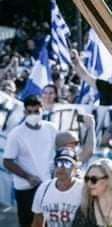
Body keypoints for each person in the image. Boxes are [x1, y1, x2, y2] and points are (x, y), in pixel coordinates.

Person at [3, 95, 58, 227]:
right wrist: (28, 177)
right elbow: (7, 161)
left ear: (42, 109)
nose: (33, 115)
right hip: (26, 188)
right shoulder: (16, 134)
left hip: (46, 185)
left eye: (36, 111)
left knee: (47, 222)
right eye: (29, 112)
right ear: (24, 112)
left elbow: (58, 151)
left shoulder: (51, 129)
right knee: (27, 223)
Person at [31, 148, 84, 227]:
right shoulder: (44, 188)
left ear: (75, 168)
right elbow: (37, 222)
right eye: (59, 163)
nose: (62, 167)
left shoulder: (83, 189)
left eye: (67, 163)